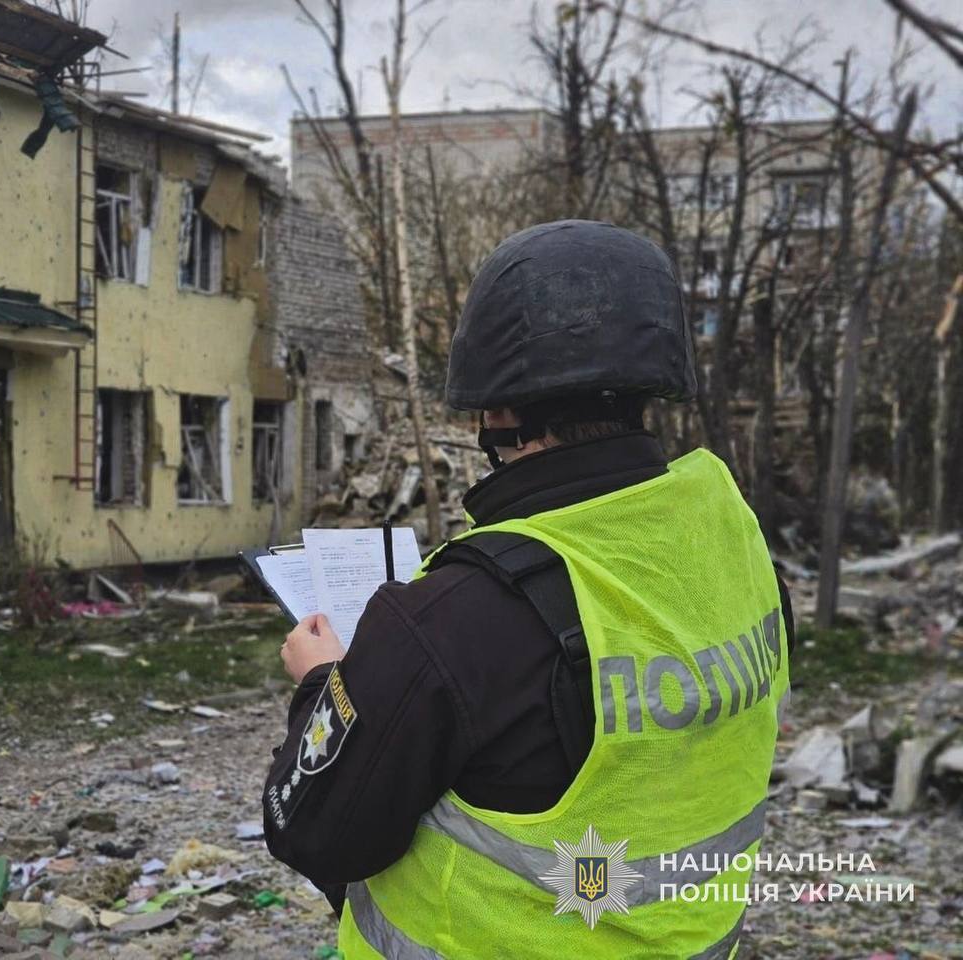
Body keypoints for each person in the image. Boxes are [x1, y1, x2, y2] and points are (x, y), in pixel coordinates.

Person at [262, 219, 793, 959]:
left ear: (498, 412)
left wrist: (324, 683)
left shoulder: (455, 615)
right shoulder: (732, 542)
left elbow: (313, 832)